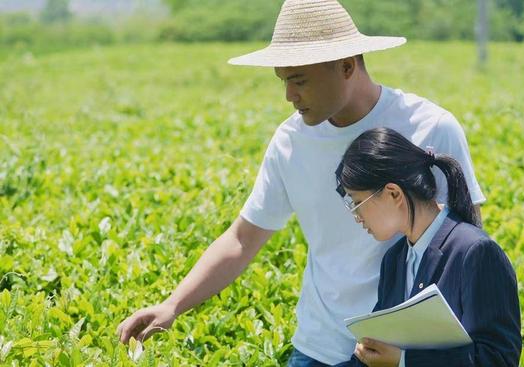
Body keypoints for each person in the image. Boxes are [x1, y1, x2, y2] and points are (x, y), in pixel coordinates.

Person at [116, 0, 487, 365]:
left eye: (298, 81)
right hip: (318, 348)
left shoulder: (430, 128)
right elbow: (242, 239)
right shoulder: (291, 142)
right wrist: (172, 306)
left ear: (345, 66)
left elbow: (466, 246)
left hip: (404, 352)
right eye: (283, 81)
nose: (289, 96)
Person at [333, 128, 521, 367]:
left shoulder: (475, 252)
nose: (356, 216)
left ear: (393, 193)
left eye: (357, 203)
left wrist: (404, 361)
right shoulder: (394, 259)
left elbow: (498, 359)